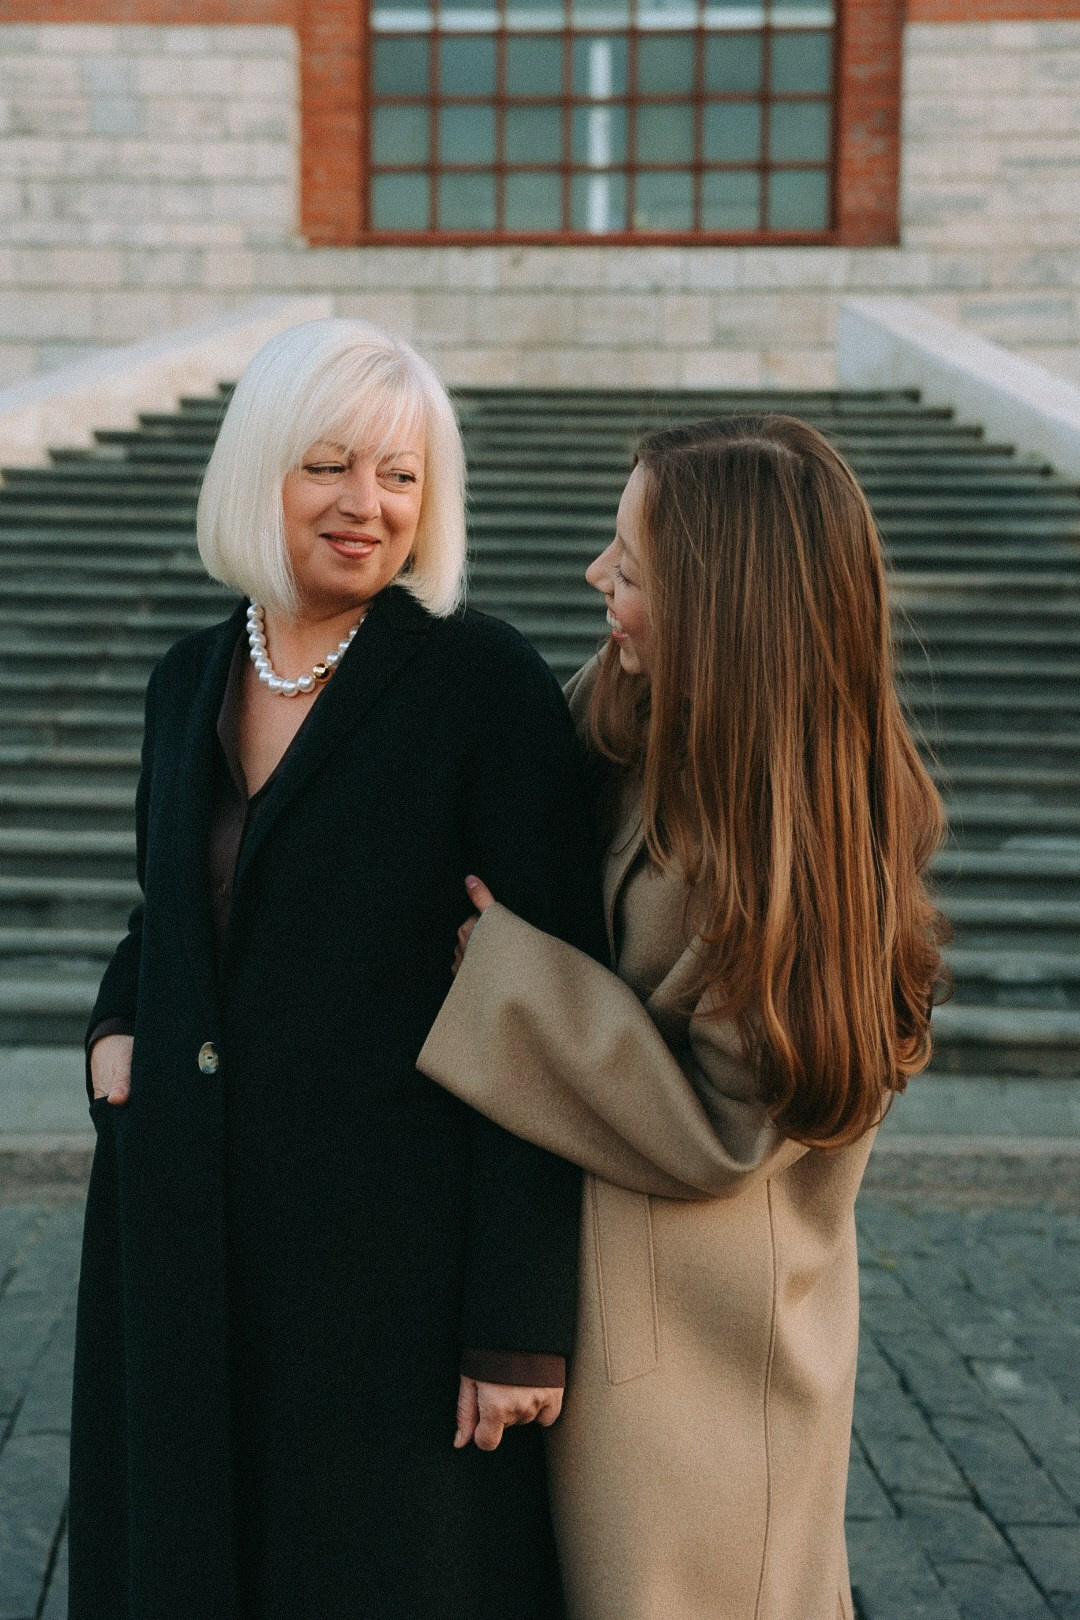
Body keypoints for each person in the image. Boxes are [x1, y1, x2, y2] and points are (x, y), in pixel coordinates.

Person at [71, 317, 607, 1620]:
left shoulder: (481, 682)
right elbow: (172, 912)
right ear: (262, 470)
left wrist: (517, 1318)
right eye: (331, 466)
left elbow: (558, 1002)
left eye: (403, 477)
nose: (369, 507)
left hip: (390, 1284)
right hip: (184, 1237)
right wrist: (114, 1022)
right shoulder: (187, 677)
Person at [419, 415, 950, 1620]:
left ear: (723, 614)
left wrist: (500, 976)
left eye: (631, 564)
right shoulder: (635, 724)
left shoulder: (808, 845)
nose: (595, 577)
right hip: (617, 1323)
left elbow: (731, 1128)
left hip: (713, 1375)